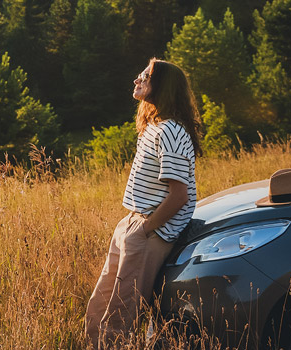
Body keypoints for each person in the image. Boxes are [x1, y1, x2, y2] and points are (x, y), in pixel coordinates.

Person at [84, 58, 203, 346]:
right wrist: (135, 226)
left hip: (150, 231)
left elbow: (179, 195)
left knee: (120, 314)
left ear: (161, 86)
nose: (137, 79)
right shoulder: (154, 126)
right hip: (132, 222)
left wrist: (146, 229)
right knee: (100, 303)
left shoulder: (172, 131)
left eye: (146, 76)